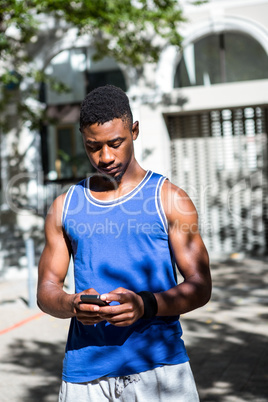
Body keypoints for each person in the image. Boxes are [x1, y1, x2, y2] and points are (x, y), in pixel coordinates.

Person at [37, 84, 211, 402]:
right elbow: (47, 289)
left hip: (159, 368)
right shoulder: (65, 206)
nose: (105, 157)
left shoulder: (170, 199)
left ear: (134, 131)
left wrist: (146, 305)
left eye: (115, 143)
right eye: (93, 147)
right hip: (86, 373)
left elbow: (200, 286)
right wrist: (71, 305)